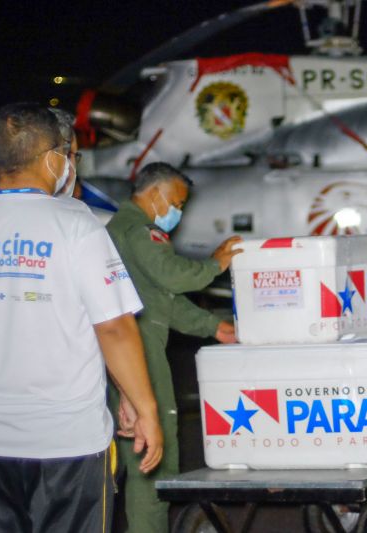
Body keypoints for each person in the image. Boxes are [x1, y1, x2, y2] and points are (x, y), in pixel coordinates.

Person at [0, 102, 163, 532]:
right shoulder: (78, 226)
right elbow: (114, 327)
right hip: (68, 443)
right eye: (69, 156)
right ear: (53, 158)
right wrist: (144, 407)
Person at [106, 161, 242, 533]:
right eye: (177, 203)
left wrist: (213, 326)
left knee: (123, 462)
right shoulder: (139, 232)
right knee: (153, 463)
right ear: (155, 194)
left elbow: (160, 301)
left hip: (115, 352)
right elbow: (173, 276)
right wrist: (216, 263)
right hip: (141, 355)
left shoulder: (115, 230)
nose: (178, 214)